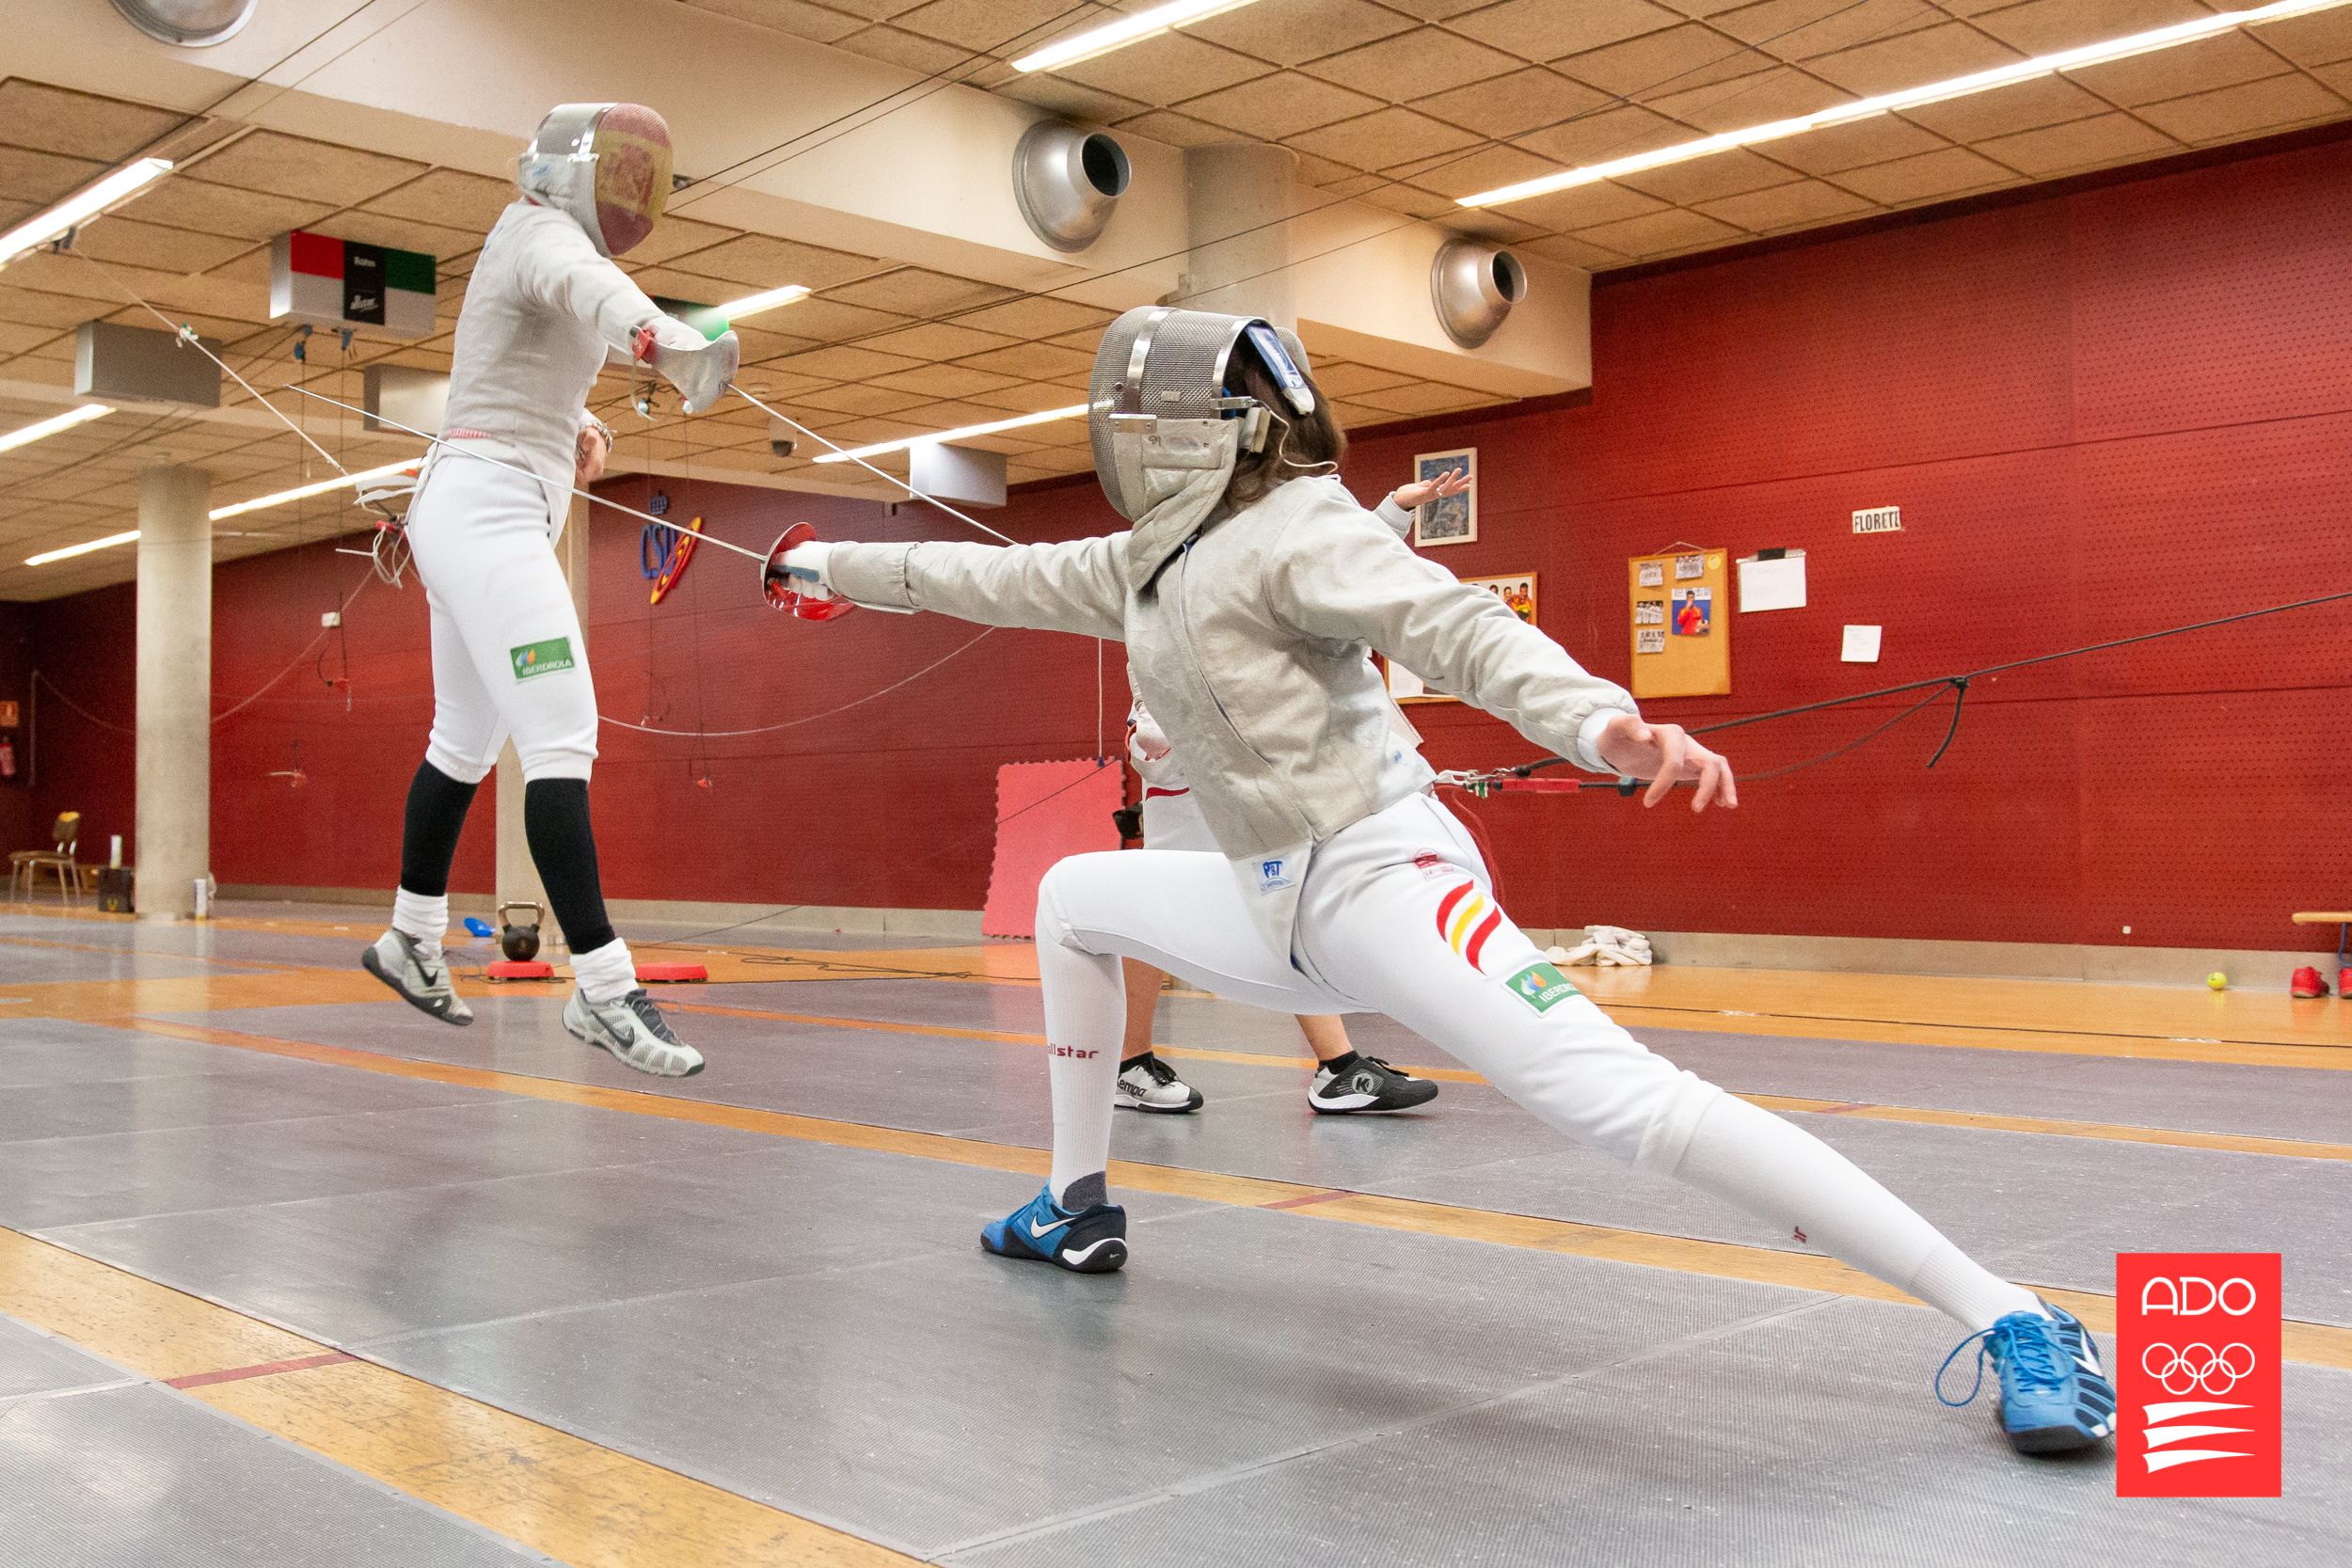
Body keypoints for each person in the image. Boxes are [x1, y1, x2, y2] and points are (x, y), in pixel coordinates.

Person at [779, 305, 2116, 1459]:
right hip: (1270, 900)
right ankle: (1073, 1204)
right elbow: (977, 573)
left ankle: (2011, 1309)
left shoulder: (1305, 527)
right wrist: (825, 565)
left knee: (1626, 1104)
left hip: (1385, 880)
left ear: (1205, 431)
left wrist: (1607, 724)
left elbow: (1458, 624)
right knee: (1075, 896)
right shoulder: (1144, 563)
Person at [359, 103, 739, 1078]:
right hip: (484, 513)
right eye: (619, 174)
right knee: (562, 733)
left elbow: (551, 336)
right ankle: (605, 989)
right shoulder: (539, 232)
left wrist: (573, 423)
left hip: (480, 505)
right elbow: (592, 290)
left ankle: (410, 934)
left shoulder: (536, 238)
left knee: (464, 741)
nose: (630, 197)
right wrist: (663, 339)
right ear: (575, 169)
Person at [1112, 470, 1466, 1116]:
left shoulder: (1245, 579)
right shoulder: (1167, 606)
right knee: (1152, 932)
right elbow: (1150, 718)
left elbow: (1323, 576)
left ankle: (1335, 1065)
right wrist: (1156, 740)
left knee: (1287, 910)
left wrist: (1390, 513)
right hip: (1192, 801)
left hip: (1250, 792)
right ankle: (1130, 1062)